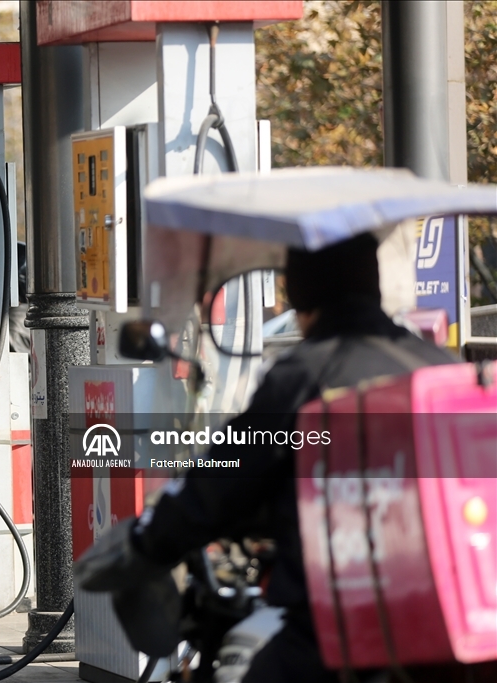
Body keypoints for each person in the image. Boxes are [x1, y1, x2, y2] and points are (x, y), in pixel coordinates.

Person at [77, 234, 456, 683]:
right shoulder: (439, 366)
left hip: (341, 629)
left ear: (302, 296)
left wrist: (149, 541)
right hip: (450, 619)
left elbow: (220, 482)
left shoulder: (306, 375)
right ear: (371, 283)